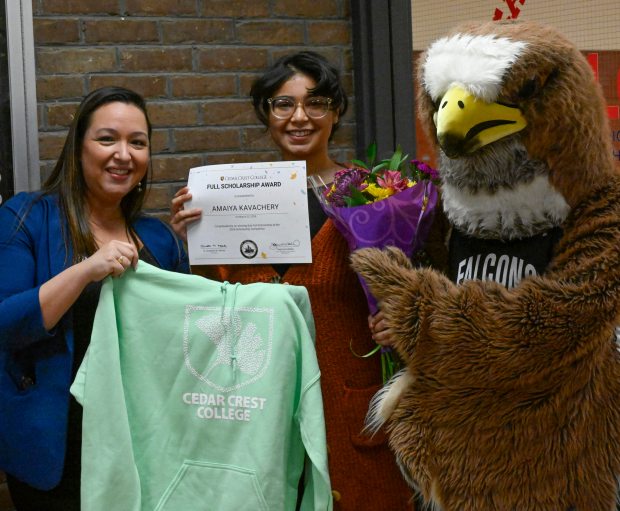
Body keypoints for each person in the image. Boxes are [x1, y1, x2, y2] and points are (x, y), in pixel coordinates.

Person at [169, 52, 414, 510]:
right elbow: (216, 312)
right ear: (266, 114)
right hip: (262, 411)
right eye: (283, 104)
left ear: (336, 112)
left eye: (316, 103)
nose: (299, 117)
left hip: (350, 408)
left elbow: (409, 292)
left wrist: (401, 324)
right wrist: (194, 244)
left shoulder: (373, 196)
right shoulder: (229, 198)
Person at [0, 86, 189, 511]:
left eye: (137, 143)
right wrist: (87, 268)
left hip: (144, 443)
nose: (124, 154)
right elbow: (6, 324)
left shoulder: (160, 237)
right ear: (78, 147)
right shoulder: (26, 216)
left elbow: (189, 337)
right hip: (55, 451)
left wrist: (208, 248)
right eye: (107, 139)